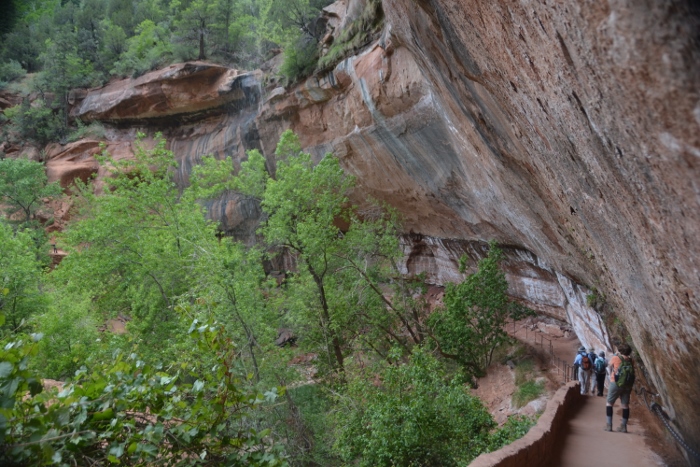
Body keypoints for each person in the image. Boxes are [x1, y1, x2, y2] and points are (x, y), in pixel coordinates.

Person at [605, 344, 634, 432]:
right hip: (627, 384)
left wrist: (611, 376)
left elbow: (609, 366)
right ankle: (623, 426)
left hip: (616, 383)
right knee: (625, 405)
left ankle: (609, 425)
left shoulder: (616, 358)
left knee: (609, 403)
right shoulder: (631, 360)